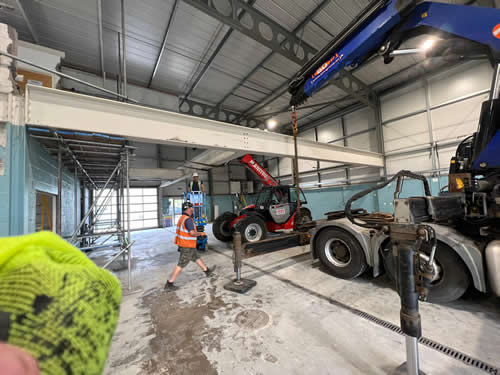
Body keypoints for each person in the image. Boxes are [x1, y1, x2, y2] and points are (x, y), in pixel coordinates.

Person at [165, 202, 214, 290]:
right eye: (192, 208)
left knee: (196, 257)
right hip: (186, 245)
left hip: (187, 244)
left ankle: (207, 271)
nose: (193, 209)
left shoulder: (182, 218)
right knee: (181, 264)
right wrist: (200, 233)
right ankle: (169, 283)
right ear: (188, 209)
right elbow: (192, 233)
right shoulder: (188, 220)